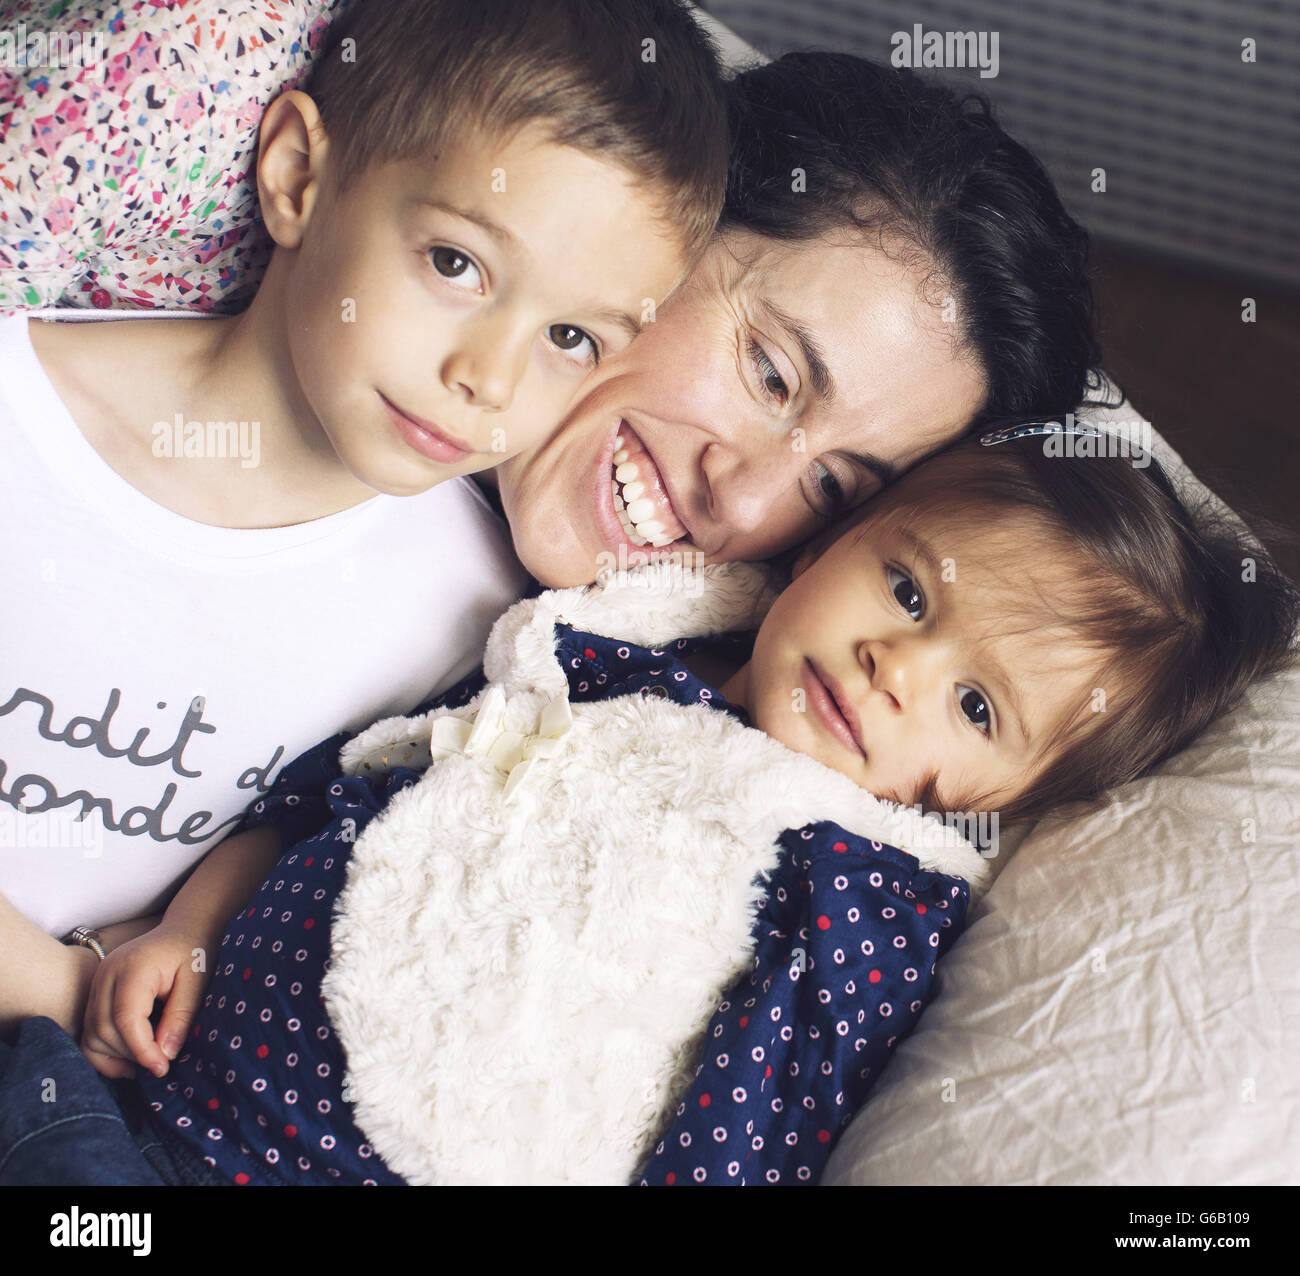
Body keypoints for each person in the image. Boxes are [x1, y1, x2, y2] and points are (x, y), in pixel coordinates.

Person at [4, 420, 1293, 1185]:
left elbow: (744, 1135)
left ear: (1001, 798)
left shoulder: (850, 889)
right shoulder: (600, 647)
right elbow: (339, 789)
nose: (897, 669)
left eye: (973, 707)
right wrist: (182, 927)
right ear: (833, 542)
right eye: (908, 591)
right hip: (155, 1077)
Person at [0, 0, 727, 1033]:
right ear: (298, 176)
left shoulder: (471, 616)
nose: (490, 375)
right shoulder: (25, 414)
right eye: (456, 262)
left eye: (570, 338)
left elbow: (302, 836)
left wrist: (171, 941)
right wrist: (59, 987)